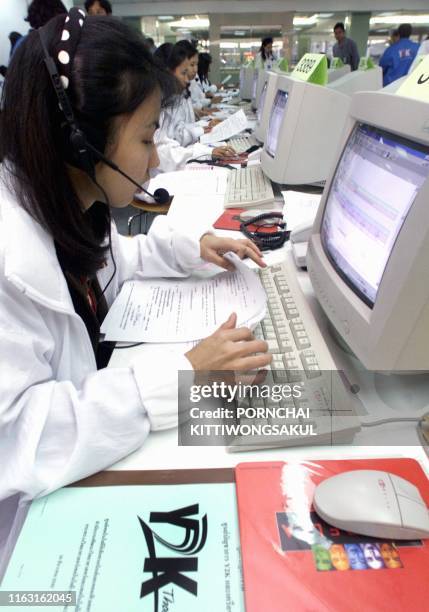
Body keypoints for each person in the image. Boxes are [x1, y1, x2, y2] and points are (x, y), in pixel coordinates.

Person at [0, 9, 271, 500]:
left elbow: (119, 256)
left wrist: (195, 247)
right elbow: (18, 440)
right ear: (78, 142)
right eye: (146, 139)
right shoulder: (8, 255)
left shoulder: (67, 205)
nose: (152, 161)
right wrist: (182, 376)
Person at [154, 41, 235, 172]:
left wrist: (205, 127)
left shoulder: (173, 97)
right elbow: (166, 147)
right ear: (167, 72)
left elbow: (173, 136)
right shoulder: (160, 103)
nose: (188, 78)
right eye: (184, 72)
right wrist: (205, 146)